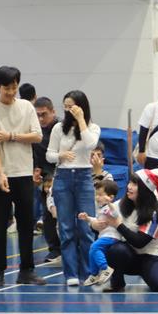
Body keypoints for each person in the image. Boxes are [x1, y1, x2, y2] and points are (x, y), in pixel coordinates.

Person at [0, 66, 46, 288]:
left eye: (14, 87)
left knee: (26, 223)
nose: (11, 92)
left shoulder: (26, 107)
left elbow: (37, 136)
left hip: (24, 172)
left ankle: (26, 270)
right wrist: (0, 174)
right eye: (6, 88)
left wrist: (11, 135)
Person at [45, 90, 100, 286]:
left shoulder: (92, 127)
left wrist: (81, 120)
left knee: (86, 227)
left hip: (84, 177)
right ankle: (71, 274)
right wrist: (60, 155)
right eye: (66, 107)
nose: (68, 110)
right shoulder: (59, 128)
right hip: (63, 177)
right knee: (66, 228)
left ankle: (89, 272)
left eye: (72, 106)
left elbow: (91, 144)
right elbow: (49, 155)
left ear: (82, 107)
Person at [104, 170, 158, 292]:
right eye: (130, 182)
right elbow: (100, 220)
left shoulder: (154, 213)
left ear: (145, 189)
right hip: (128, 256)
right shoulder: (119, 205)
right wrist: (95, 224)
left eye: (134, 184)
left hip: (150, 256)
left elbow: (140, 242)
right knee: (116, 250)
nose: (129, 187)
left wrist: (118, 224)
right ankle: (117, 283)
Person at [77, 179, 121, 287]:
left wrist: (109, 203)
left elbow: (115, 215)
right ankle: (94, 274)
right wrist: (87, 218)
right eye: (96, 194)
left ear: (110, 197)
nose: (97, 197)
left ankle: (105, 268)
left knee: (94, 247)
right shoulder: (101, 209)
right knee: (92, 251)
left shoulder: (111, 207)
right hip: (104, 236)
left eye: (100, 195)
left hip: (112, 236)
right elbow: (97, 221)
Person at [33, 97, 61, 266]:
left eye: (44, 114)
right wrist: (36, 170)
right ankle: (55, 249)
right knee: (48, 214)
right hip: (47, 180)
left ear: (53, 112)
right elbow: (34, 153)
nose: (41, 118)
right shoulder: (35, 132)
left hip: (65, 175)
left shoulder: (63, 128)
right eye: (38, 115)